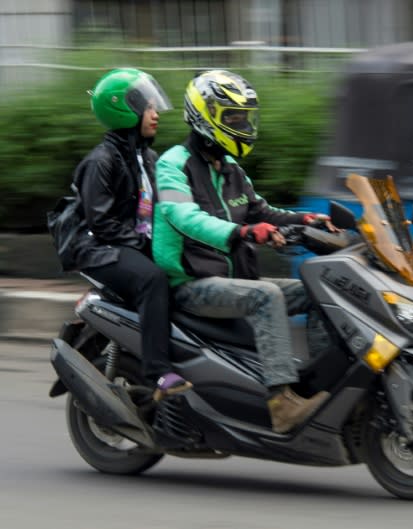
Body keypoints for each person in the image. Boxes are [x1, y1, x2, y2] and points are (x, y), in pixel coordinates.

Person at [153, 70, 334, 434]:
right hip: (193, 283)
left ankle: (320, 384)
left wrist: (306, 218)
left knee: (322, 290)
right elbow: (184, 217)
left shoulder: (231, 168)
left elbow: (260, 210)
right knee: (266, 296)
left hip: (234, 280)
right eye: (232, 118)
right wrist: (243, 232)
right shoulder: (172, 164)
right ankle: (282, 402)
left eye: (244, 117)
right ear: (205, 117)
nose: (242, 125)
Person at [68, 68, 192, 402]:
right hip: (100, 248)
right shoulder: (101, 161)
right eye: (146, 107)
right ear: (123, 110)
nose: (155, 114)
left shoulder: (147, 157)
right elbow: (103, 223)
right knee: (152, 278)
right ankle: (158, 371)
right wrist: (149, 246)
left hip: (130, 244)